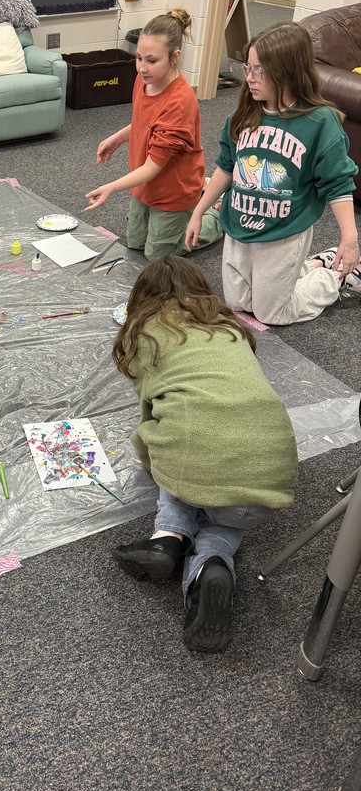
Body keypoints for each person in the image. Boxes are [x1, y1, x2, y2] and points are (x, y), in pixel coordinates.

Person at [110, 255, 297, 652]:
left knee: (177, 457)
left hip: (196, 468)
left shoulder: (144, 332)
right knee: (228, 517)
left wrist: (151, 460)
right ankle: (211, 566)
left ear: (141, 297)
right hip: (271, 474)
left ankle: (167, 538)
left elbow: (152, 416)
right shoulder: (230, 326)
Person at [186, 21, 360, 325]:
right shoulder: (243, 113)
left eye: (260, 71)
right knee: (239, 303)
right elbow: (226, 168)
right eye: (247, 68)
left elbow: (338, 184)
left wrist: (350, 239)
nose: (250, 79)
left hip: (284, 233)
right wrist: (199, 211)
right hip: (240, 227)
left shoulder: (320, 122)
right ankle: (315, 263)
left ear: (288, 73)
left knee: (271, 313)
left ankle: (337, 278)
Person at [84, 8, 222, 260]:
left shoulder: (179, 102)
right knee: (135, 244)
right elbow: (144, 123)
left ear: (174, 57)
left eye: (152, 60)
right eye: (138, 58)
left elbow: (153, 167)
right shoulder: (144, 81)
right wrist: (118, 137)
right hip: (146, 184)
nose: (142, 68)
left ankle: (216, 214)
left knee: (157, 255)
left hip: (173, 189)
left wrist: (112, 187)